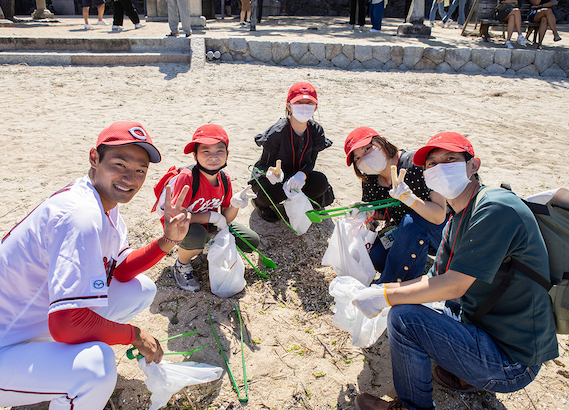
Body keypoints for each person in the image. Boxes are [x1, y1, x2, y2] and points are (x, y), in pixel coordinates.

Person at [0, 122, 192, 410]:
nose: (131, 178)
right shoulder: (81, 216)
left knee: (139, 289)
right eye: (119, 164)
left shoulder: (103, 203)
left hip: (28, 329)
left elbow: (121, 272)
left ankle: (56, 377)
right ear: (94, 158)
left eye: (140, 170)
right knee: (96, 368)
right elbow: (67, 324)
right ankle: (69, 384)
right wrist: (135, 334)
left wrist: (168, 240)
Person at [352, 132, 558, 410]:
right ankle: (465, 372)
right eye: (432, 164)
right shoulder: (460, 215)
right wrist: (384, 290)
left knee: (404, 319)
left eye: (450, 159)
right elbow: (434, 280)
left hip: (513, 361)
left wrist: (387, 295)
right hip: (488, 330)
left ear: (474, 165)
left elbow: (453, 286)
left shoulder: (494, 207)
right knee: (417, 301)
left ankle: (415, 409)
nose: (440, 168)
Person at [162, 124, 260, 292]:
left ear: (227, 155)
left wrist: (235, 204)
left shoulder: (224, 178)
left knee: (251, 241)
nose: (213, 156)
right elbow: (178, 218)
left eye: (220, 151)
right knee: (197, 235)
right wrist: (211, 217)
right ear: (195, 156)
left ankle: (205, 245)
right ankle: (181, 265)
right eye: (206, 151)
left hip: (210, 226)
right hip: (185, 226)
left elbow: (226, 218)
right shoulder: (188, 177)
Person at [344, 127, 447, 284]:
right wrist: (367, 211)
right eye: (357, 158)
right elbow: (383, 212)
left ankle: (388, 288)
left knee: (411, 221)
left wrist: (411, 200)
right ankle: (413, 263)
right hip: (404, 229)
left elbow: (440, 215)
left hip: (441, 229)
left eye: (367, 149)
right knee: (375, 256)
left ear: (382, 142)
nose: (364, 158)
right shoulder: (371, 182)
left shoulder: (416, 164)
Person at [249, 82, 334, 223]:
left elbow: (311, 161)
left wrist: (302, 174)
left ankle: (298, 204)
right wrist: (270, 173)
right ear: (289, 106)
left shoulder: (316, 130)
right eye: (299, 102)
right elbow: (262, 165)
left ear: (315, 107)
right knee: (267, 192)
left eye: (309, 103)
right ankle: (260, 205)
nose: (304, 106)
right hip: (275, 178)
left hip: (297, 175)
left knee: (321, 183)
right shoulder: (277, 132)